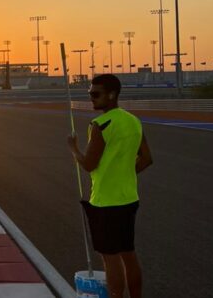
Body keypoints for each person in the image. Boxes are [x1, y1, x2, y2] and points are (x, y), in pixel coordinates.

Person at [66, 74, 153, 298]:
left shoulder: (101, 125)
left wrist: (73, 148)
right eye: (90, 94)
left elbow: (88, 164)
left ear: (112, 95)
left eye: (96, 94)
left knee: (110, 257)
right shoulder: (133, 121)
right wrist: (123, 172)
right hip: (129, 198)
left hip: (105, 201)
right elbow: (146, 159)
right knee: (129, 254)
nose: (92, 99)